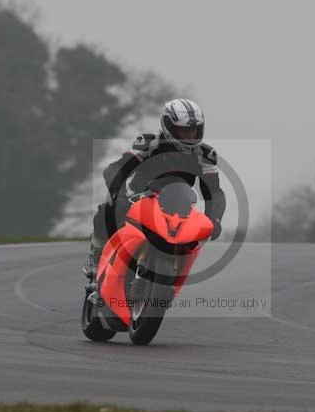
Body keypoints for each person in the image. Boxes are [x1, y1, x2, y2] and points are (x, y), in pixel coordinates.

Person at [84, 98, 226, 278]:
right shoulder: (148, 144)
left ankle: (175, 271)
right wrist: (117, 194)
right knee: (108, 211)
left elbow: (214, 191)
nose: (190, 136)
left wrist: (214, 218)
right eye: (183, 131)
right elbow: (115, 168)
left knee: (195, 236)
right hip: (139, 200)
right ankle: (95, 256)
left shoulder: (205, 155)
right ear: (168, 126)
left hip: (179, 208)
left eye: (194, 130)